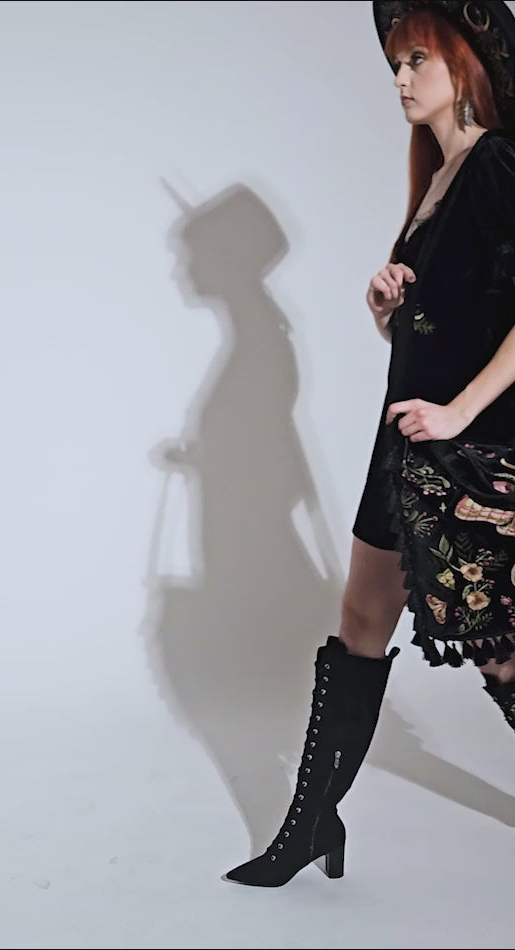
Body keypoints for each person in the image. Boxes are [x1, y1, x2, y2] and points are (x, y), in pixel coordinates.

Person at [222, 0, 515, 889]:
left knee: (496, 646)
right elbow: (442, 328)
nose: (400, 78)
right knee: (357, 625)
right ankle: (312, 825)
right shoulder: (437, 179)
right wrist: (387, 313)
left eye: (416, 59)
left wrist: (458, 413)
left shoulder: (495, 163)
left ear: (466, 65)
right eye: (394, 63)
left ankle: (311, 825)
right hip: (404, 450)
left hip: (462, 454)